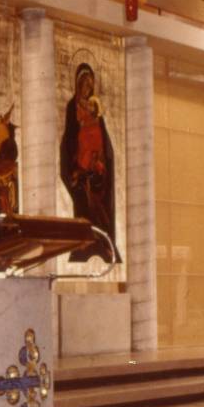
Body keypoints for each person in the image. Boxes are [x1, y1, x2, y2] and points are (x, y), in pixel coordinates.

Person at [59, 63, 116, 261]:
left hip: (95, 169)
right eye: (84, 84)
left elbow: (103, 143)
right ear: (78, 84)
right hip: (79, 167)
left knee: (99, 208)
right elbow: (70, 138)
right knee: (83, 205)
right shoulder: (72, 107)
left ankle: (102, 244)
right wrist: (75, 165)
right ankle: (83, 245)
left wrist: (100, 162)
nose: (87, 89)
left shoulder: (96, 113)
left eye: (90, 86)